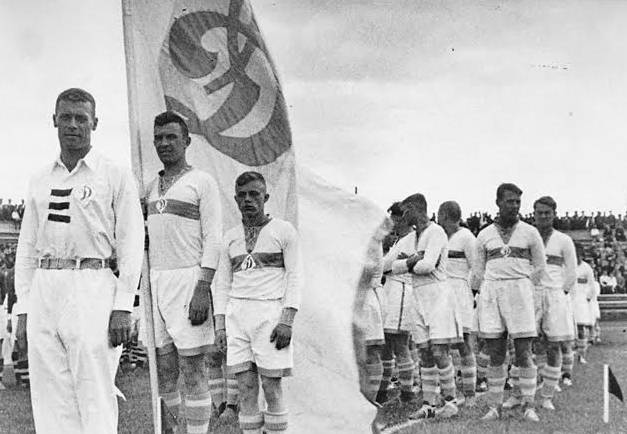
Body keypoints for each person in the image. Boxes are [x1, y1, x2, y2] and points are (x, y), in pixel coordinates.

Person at [14, 88, 144, 433]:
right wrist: (23, 308)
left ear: (94, 123)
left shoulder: (114, 174)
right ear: (54, 121)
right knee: (50, 398)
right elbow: (26, 248)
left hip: (92, 283)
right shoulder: (40, 179)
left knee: (94, 392)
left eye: (81, 118)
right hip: (45, 286)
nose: (73, 125)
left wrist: (123, 305)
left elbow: (131, 243)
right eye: (66, 117)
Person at [144, 111, 224, 433]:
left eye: (171, 137)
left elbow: (214, 239)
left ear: (186, 141)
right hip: (156, 282)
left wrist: (203, 288)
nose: (164, 143)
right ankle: (175, 429)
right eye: (159, 138)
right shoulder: (150, 187)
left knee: (192, 368)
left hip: (189, 281)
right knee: (164, 369)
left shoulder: (201, 182)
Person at [214, 172, 302, 434]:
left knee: (272, 388)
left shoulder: (284, 231)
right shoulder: (230, 237)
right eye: (242, 195)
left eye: (254, 194)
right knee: (245, 388)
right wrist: (220, 326)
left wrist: (287, 321)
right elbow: (222, 284)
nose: (248, 200)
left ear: (266, 197)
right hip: (237, 317)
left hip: (270, 315)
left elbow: (295, 277)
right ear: (235, 199)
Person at [384, 193, 462, 420]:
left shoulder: (436, 232)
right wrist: (411, 260)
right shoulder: (409, 239)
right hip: (417, 296)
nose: (402, 217)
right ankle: (429, 404)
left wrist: (408, 263)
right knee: (424, 352)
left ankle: (450, 401)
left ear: (414, 209)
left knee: (439, 351)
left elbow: (428, 266)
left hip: (438, 295)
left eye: (404, 212)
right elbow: (388, 265)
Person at [474, 183, 546, 422]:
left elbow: (540, 267)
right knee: (496, 353)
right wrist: (481, 293)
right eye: (510, 201)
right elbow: (478, 270)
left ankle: (528, 405)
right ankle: (494, 406)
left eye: (518, 202)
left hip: (520, 292)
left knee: (524, 352)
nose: (514, 206)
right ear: (498, 202)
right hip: (492, 292)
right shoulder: (484, 234)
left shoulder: (530, 232)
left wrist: (525, 286)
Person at [531, 196, 577, 410]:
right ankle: (538, 381)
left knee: (554, 345)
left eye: (547, 213)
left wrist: (561, 292)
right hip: (531, 294)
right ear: (534, 214)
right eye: (539, 212)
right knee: (530, 343)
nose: (543, 216)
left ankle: (547, 396)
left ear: (554, 214)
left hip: (555, 295)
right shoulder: (528, 236)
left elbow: (572, 272)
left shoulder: (563, 240)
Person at [437, 200, 478, 407]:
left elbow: (477, 269)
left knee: (465, 343)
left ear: (445, 216)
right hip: (440, 292)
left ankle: (470, 395)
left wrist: (472, 294)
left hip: (461, 292)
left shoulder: (467, 237)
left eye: (439, 215)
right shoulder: (438, 237)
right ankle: (447, 393)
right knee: (441, 343)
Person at [377, 202, 417, 404]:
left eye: (393, 218)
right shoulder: (399, 240)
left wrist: (386, 264)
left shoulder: (411, 239)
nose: (391, 222)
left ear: (402, 218)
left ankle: (407, 392)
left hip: (401, 292)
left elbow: (385, 265)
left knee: (400, 344)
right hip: (391, 291)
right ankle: (382, 391)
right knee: (386, 345)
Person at [571, 244, 596, 365]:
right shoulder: (568, 266)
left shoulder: (587, 268)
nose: (577, 258)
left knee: (581, 329)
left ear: (582, 256)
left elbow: (592, 286)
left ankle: (581, 355)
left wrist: (587, 298)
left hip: (581, 302)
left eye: (579, 256)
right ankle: (570, 353)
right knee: (570, 330)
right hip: (569, 301)